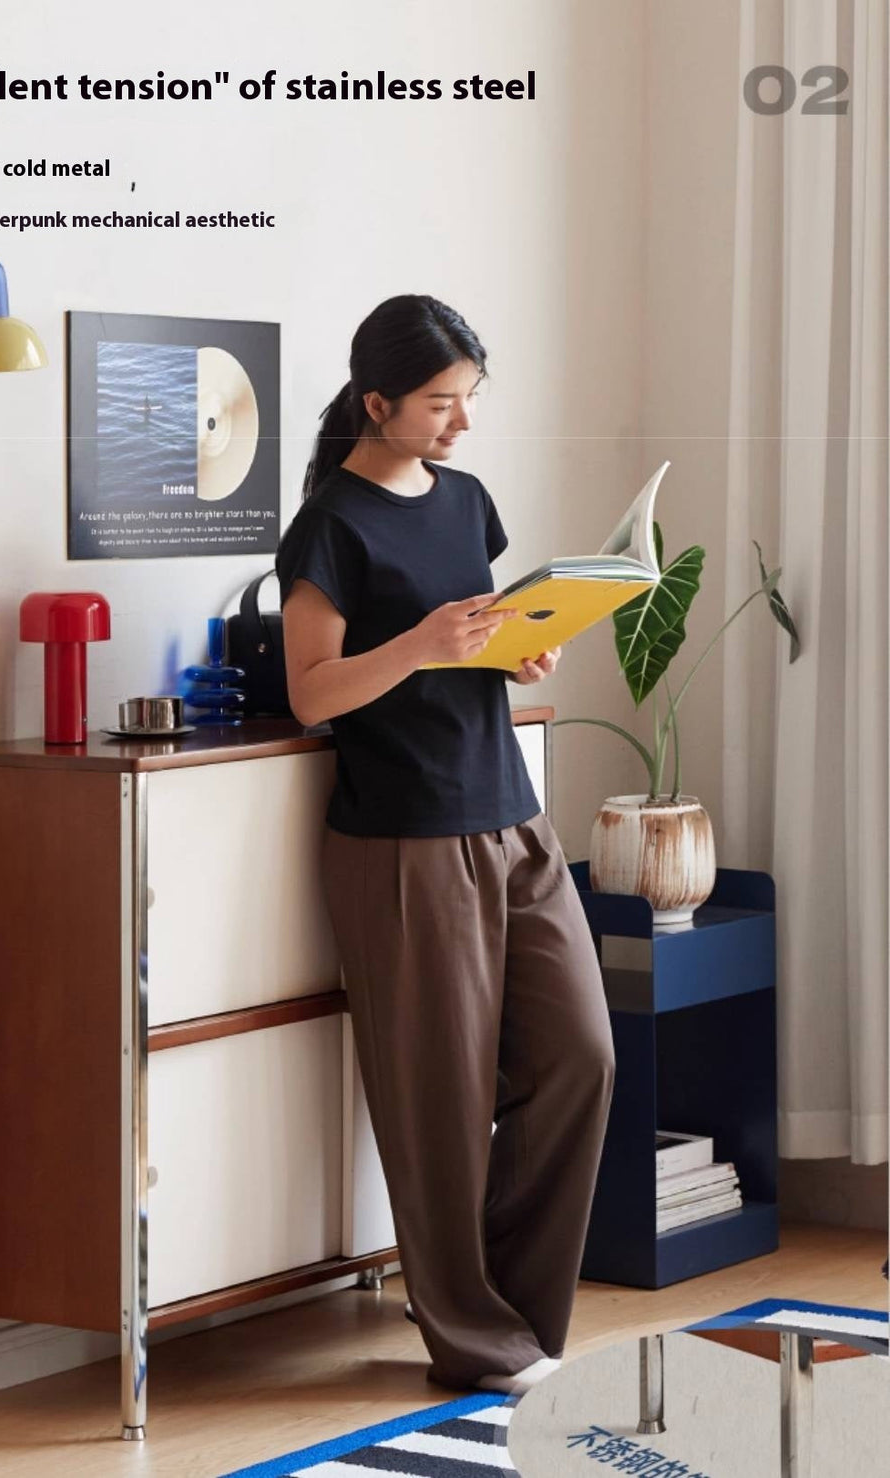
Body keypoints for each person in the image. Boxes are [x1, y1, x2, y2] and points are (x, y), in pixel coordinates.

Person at [275, 294, 616, 1397]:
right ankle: (475, 1340)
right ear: (377, 402)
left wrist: (517, 653)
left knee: (580, 1057)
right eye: (439, 403)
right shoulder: (330, 523)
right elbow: (314, 692)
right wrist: (422, 645)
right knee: (436, 1103)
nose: (460, 424)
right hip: (404, 838)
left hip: (510, 814)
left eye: (467, 400)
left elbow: (478, 633)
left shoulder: (465, 500)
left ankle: (515, 1312)